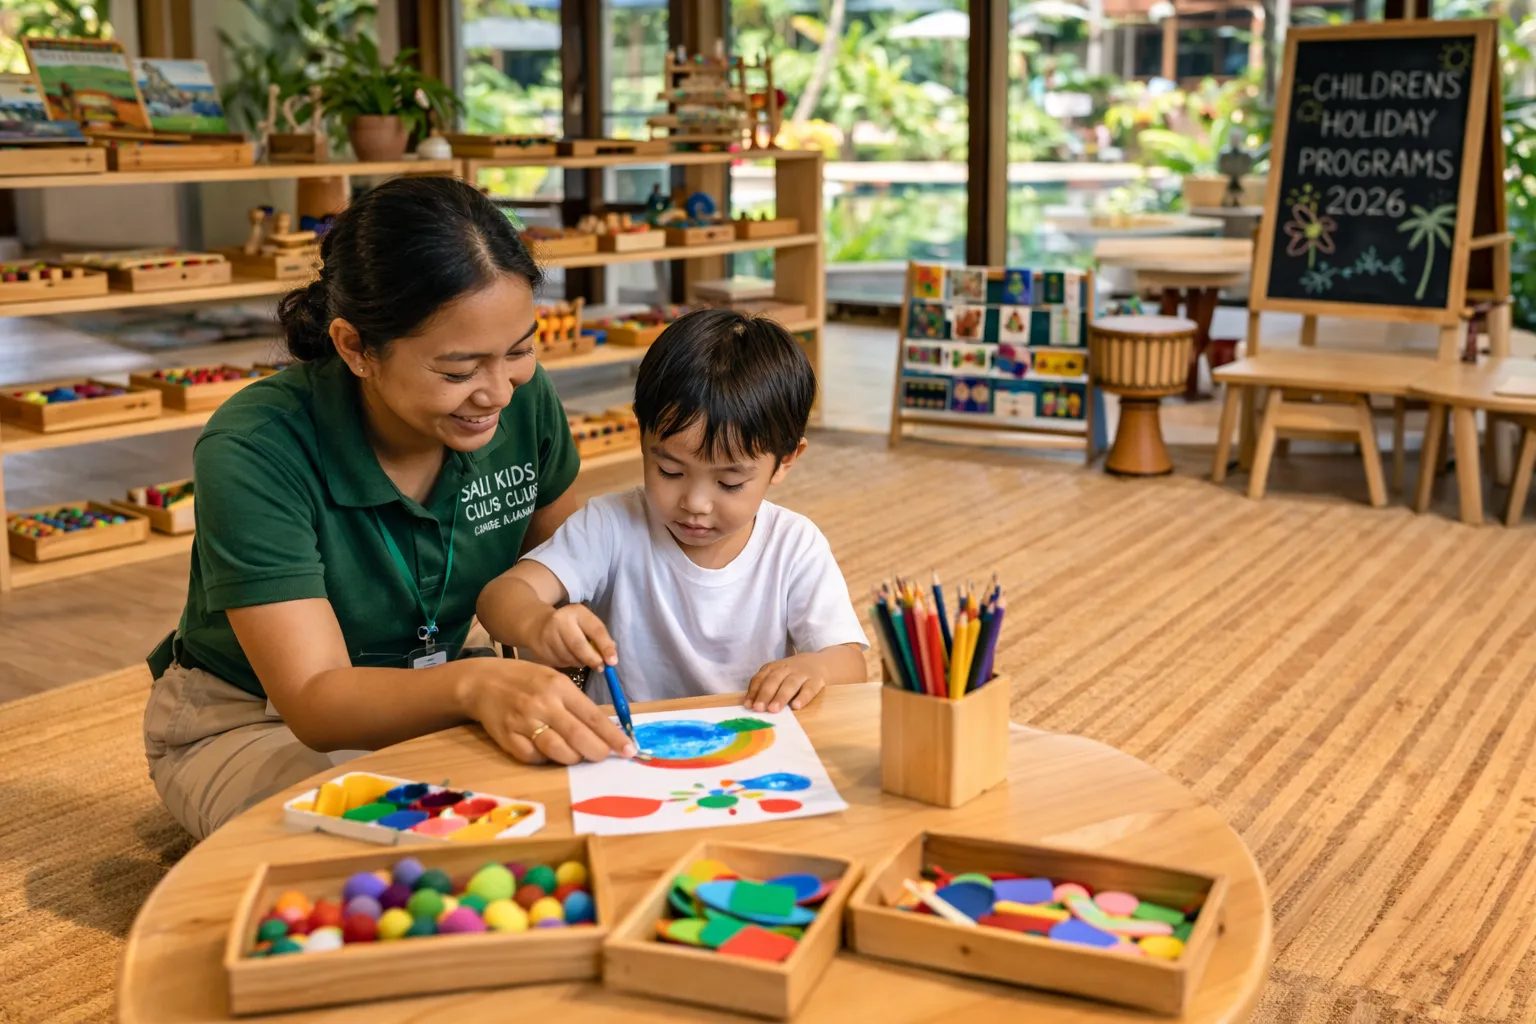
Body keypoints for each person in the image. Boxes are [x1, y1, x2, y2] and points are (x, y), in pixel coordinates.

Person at [143, 176, 634, 841]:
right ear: (355, 348)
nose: (498, 392)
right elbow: (315, 699)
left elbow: (567, 573)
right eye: (458, 371)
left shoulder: (523, 400)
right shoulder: (256, 447)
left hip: (444, 696)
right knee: (375, 855)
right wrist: (476, 686)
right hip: (254, 719)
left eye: (520, 350)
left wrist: (560, 637)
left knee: (556, 821)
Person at [477, 308, 868, 714]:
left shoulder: (794, 546)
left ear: (785, 461)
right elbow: (500, 597)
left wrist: (816, 667)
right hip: (622, 741)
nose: (695, 504)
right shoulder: (611, 525)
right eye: (670, 471)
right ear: (642, 437)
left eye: (729, 483)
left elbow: (850, 662)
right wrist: (539, 623)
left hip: (748, 741)